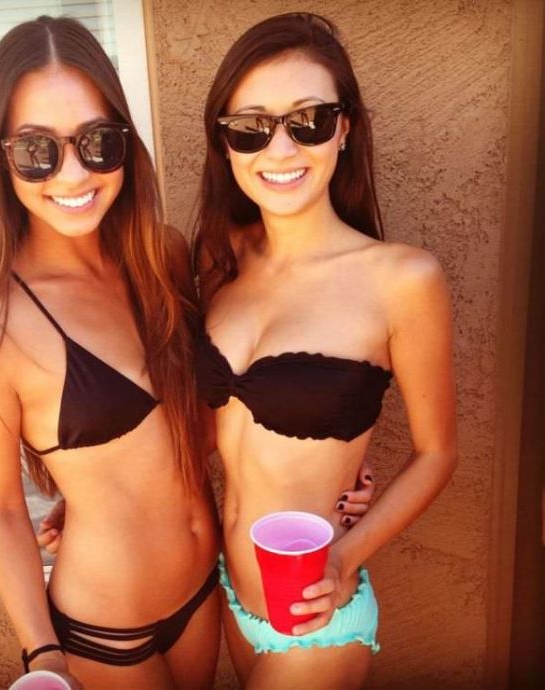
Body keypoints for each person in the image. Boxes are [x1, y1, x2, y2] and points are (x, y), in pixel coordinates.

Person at [0, 16, 222, 690]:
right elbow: (0, 510)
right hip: (106, 630)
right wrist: (43, 653)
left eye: (98, 142)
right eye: (38, 149)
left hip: (204, 589)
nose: (73, 173)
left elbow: (194, 425)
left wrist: (324, 466)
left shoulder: (163, 258)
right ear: (1, 157)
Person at [192, 12, 458, 690]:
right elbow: (208, 429)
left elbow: (437, 453)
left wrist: (346, 557)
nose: (280, 149)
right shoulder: (221, 260)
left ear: (345, 129)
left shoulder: (402, 280)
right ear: (226, 145)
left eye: (308, 121)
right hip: (230, 595)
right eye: (251, 127)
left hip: (317, 614)